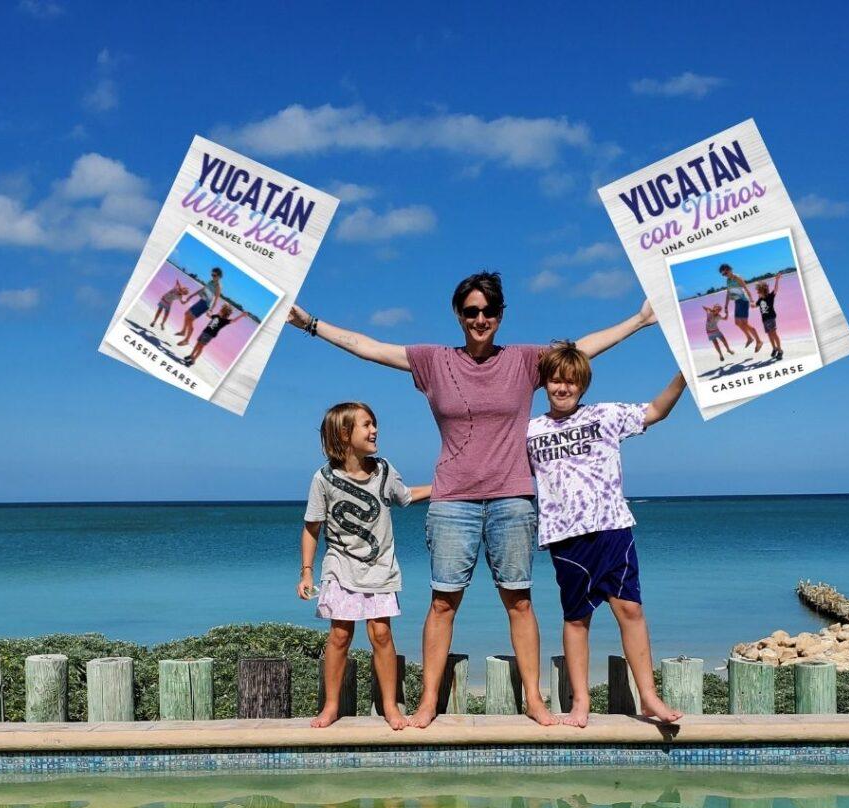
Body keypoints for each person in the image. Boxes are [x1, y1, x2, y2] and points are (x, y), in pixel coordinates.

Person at [287, 271, 656, 729]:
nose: (480, 318)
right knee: (443, 602)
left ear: (500, 315)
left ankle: (535, 701)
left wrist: (640, 320)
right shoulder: (433, 361)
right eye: (471, 311)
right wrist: (310, 324)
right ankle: (427, 703)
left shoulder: (524, 361)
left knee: (519, 601)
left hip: (512, 498)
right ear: (459, 315)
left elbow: (580, 350)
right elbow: (369, 346)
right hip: (452, 500)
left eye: (488, 311)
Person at [526, 342, 686, 728]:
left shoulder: (606, 415)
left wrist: (683, 376)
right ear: (544, 384)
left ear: (582, 385)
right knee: (577, 618)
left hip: (613, 527)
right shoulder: (530, 430)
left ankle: (648, 696)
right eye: (555, 381)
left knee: (630, 610)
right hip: (565, 537)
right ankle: (580, 701)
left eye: (570, 382)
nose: (562, 388)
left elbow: (656, 410)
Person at [297, 401, 430, 730]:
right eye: (367, 425)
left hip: (380, 567)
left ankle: (389, 705)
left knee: (381, 634)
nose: (375, 431)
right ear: (344, 434)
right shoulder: (324, 478)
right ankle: (330, 706)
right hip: (340, 566)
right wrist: (307, 571)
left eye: (375, 424)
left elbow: (406, 497)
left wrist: (445, 488)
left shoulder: (383, 470)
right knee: (340, 635)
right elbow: (312, 527)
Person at [183, 303, 248, 367]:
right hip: (205, 331)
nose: (219, 310)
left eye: (221, 310)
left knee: (201, 346)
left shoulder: (224, 321)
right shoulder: (216, 316)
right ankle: (191, 355)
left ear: (224, 312)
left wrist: (241, 315)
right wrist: (208, 310)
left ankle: (193, 360)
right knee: (197, 344)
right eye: (220, 309)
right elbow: (208, 315)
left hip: (209, 335)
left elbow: (233, 321)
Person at [718, 263, 762, 351]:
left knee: (745, 323)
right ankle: (749, 338)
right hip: (737, 302)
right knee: (737, 323)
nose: (725, 275)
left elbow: (746, 288)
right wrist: (726, 305)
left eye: (725, 273)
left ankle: (759, 341)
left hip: (743, 301)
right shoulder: (728, 281)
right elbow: (729, 293)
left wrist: (752, 300)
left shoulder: (737, 277)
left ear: (729, 269)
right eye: (723, 274)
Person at [176, 267, 223, 346]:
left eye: (214, 275)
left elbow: (216, 300)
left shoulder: (218, 286)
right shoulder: (211, 281)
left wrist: (210, 310)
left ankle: (187, 340)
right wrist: (191, 295)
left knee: (190, 320)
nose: (212, 276)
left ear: (219, 276)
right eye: (212, 274)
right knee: (186, 313)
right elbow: (203, 289)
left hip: (205, 305)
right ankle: (183, 331)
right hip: (201, 301)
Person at [755, 273, 783, 360]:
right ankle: (774, 348)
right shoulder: (760, 300)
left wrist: (777, 280)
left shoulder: (770, 297)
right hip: (765, 320)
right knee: (770, 335)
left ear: (762, 290)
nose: (757, 292)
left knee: (774, 334)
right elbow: (754, 305)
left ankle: (780, 350)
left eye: (758, 291)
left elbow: (775, 289)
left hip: (771, 318)